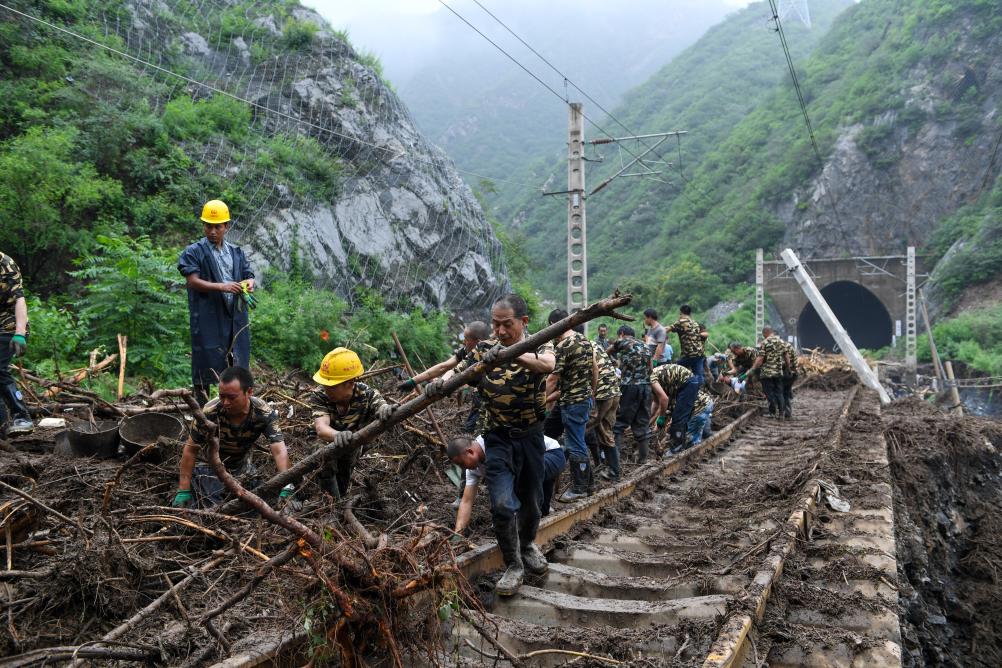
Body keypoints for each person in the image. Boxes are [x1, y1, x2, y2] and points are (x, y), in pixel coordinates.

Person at [426, 293, 555, 596]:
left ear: (523, 322)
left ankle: (527, 545)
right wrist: (438, 384)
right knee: (500, 504)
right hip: (497, 439)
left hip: (531, 437)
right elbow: (455, 373)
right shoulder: (484, 350)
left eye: (506, 325)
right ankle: (513, 565)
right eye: (495, 325)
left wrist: (512, 354)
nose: (499, 332)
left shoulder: (540, 343)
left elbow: (547, 366)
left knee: (532, 501)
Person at [173, 367, 295, 509]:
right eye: (221, 396)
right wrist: (183, 490)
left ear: (249, 392)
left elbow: (279, 450)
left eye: (231, 397)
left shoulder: (263, 413)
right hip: (209, 466)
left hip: (242, 467)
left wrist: (287, 484)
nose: (225, 402)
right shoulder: (210, 412)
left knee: (259, 504)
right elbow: (191, 449)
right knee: (214, 506)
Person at [177, 200, 255, 406]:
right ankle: (203, 411)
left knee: (237, 359)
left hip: (235, 317)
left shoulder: (236, 252)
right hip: (208, 317)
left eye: (217, 227)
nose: (212, 231)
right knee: (205, 362)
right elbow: (193, 281)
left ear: (226, 227)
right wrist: (223, 286)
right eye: (208, 226)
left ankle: (237, 404)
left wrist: (249, 283)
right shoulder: (194, 252)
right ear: (203, 225)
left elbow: (248, 274)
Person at [310, 347, 395, 497]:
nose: (327, 389)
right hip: (326, 441)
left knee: (345, 469)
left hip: (353, 444)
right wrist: (337, 435)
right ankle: (328, 502)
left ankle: (339, 498)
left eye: (332, 386)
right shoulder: (320, 395)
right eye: (325, 384)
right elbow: (321, 427)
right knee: (323, 456)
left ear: (350, 383)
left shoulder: (368, 395)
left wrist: (385, 410)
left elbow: (382, 406)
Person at [449, 433, 566, 536]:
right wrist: (458, 534)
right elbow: (466, 501)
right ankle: (539, 507)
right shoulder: (472, 469)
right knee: (542, 512)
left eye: (462, 463)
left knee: (520, 477)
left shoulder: (494, 441)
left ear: (470, 452)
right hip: (531, 470)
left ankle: (520, 515)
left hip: (550, 454)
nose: (462, 468)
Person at [397, 321, 491, 434]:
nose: (463, 341)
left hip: (493, 400)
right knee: (469, 430)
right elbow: (444, 367)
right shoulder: (466, 352)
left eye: (466, 338)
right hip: (479, 396)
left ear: (478, 343)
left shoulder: (492, 354)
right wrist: (413, 381)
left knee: (481, 433)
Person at [545, 310, 598, 503]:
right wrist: (591, 392)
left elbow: (552, 378)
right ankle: (589, 484)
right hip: (576, 399)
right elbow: (595, 369)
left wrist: (539, 400)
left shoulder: (563, 345)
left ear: (554, 324)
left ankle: (579, 488)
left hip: (572, 403)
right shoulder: (585, 341)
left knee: (575, 443)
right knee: (547, 432)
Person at [608, 325, 653, 468]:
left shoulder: (623, 341)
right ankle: (643, 460)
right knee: (642, 424)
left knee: (618, 425)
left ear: (621, 333)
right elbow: (651, 368)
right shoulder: (645, 346)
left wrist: (612, 363)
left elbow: (605, 353)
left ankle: (615, 466)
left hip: (630, 387)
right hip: (646, 387)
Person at [0, 252, 32, 435]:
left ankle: (22, 416)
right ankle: (3, 425)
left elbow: (19, 299)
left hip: (10, 325)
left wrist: (19, 333)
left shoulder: (6, 264)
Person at [650, 363, 714, 453]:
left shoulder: (648, 378)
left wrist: (661, 418)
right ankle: (689, 443)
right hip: (690, 385)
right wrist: (651, 421)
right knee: (681, 419)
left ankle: (676, 450)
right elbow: (656, 402)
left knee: (678, 420)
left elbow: (664, 399)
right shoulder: (655, 379)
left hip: (687, 382)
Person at [588, 343, 621, 481]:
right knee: (605, 431)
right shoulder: (594, 343)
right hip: (614, 391)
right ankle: (610, 468)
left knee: (583, 429)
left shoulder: (573, 345)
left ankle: (584, 475)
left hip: (602, 393)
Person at [749, 327, 788, 419]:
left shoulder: (765, 342)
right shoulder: (782, 342)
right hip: (778, 372)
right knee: (779, 392)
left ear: (765, 333)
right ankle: (781, 413)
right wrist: (788, 368)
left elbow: (760, 358)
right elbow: (786, 357)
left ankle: (772, 412)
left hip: (767, 372)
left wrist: (753, 368)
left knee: (769, 392)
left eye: (763, 335)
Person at [667, 305, 708, 385]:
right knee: (699, 374)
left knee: (675, 369)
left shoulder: (681, 322)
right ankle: (700, 391)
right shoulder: (695, 323)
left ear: (681, 312)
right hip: (700, 353)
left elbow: (667, 329)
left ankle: (677, 386)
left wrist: (655, 331)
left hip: (689, 354)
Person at [781, 339, 799, 417]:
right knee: (786, 391)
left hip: (788, 373)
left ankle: (785, 410)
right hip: (794, 373)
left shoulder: (783, 347)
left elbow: (785, 361)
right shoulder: (789, 346)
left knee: (781, 391)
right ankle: (787, 410)